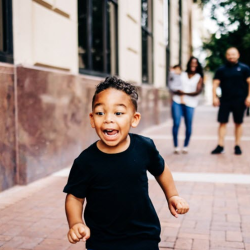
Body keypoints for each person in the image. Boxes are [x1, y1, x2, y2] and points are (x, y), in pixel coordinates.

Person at [63, 76, 189, 250]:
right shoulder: (86, 161)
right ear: (92, 119)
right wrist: (76, 223)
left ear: (134, 119)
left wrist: (172, 195)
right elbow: (75, 197)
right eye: (100, 113)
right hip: (102, 240)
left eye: (118, 113)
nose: (108, 119)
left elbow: (160, 169)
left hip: (143, 234)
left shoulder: (144, 147)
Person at [211, 47, 250, 155]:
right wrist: (214, 97)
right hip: (225, 100)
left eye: (233, 54)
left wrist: (249, 97)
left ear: (238, 55)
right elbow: (215, 84)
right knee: (222, 122)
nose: (231, 56)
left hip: (240, 100)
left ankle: (237, 145)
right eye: (229, 54)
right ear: (226, 56)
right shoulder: (221, 70)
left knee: (238, 123)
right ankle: (220, 145)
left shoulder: (245, 68)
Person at [171, 57, 203, 154]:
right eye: (192, 63)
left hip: (190, 103)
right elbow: (173, 86)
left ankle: (185, 146)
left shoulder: (198, 77)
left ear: (197, 65)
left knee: (188, 125)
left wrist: (184, 93)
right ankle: (176, 146)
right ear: (189, 64)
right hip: (177, 101)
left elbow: (197, 91)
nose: (193, 65)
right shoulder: (182, 74)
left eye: (195, 63)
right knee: (176, 123)